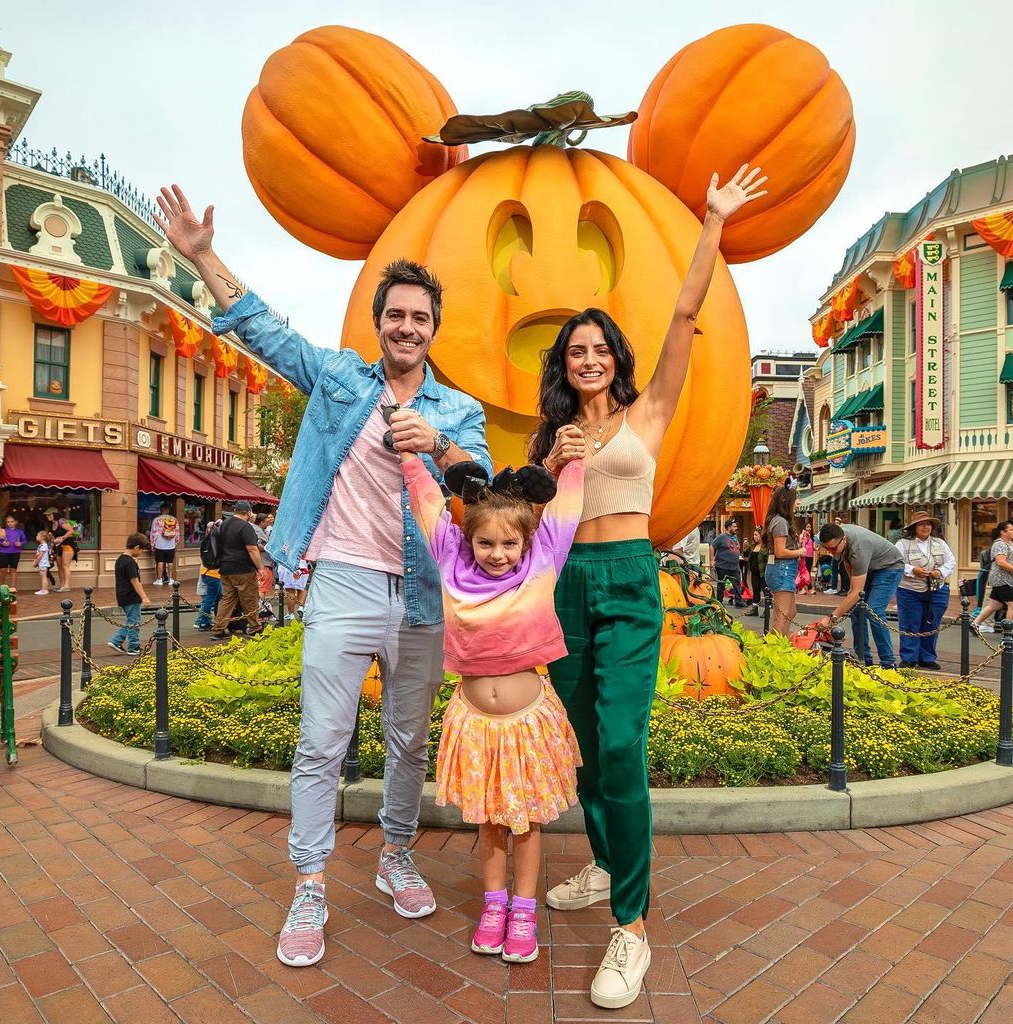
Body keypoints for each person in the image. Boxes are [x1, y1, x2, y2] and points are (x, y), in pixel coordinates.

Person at [154, 183, 490, 968]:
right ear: (380, 325)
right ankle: (309, 885)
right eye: (396, 315)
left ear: (436, 329)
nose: (407, 327)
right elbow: (268, 335)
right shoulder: (342, 379)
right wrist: (205, 258)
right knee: (321, 743)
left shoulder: (458, 410)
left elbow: (484, 492)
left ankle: (395, 857)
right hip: (340, 580)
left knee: (409, 743)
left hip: (421, 592)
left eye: (420, 317)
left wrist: (436, 447)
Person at [528, 163, 768, 1008]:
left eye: (598, 347)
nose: (588, 357)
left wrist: (712, 222)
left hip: (630, 583)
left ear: (614, 358)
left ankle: (631, 929)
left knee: (623, 747)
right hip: (567, 588)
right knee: (588, 750)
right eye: (576, 350)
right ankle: (602, 862)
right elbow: (526, 533)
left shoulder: (649, 413)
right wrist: (548, 471)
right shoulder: (552, 435)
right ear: (564, 365)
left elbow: (684, 312)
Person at [403, 451, 584, 964]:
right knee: (489, 823)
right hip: (475, 724)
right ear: (468, 540)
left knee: (526, 822)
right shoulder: (450, 561)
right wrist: (410, 456)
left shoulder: (543, 560)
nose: (498, 553)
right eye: (486, 542)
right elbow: (428, 505)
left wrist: (574, 463)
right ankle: (494, 905)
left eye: (509, 543)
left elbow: (565, 510)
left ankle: (524, 909)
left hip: (528, 724)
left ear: (528, 541)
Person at [815, 522, 905, 669]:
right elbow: (848, 565)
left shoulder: (859, 548)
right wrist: (852, 596)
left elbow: (857, 592)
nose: (831, 552)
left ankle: (888, 663)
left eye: (833, 548)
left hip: (890, 567)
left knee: (874, 610)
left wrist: (831, 618)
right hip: (869, 568)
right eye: (827, 549)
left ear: (843, 539)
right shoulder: (839, 541)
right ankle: (863, 658)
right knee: (856, 609)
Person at [894, 510, 955, 670]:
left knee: (932, 623)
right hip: (909, 590)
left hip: (937, 589)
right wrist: (912, 570)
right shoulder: (902, 544)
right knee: (910, 624)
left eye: (928, 524)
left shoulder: (939, 543)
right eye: (921, 524)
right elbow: (896, 563)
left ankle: (927, 657)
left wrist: (940, 572)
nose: (925, 527)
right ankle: (909, 658)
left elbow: (950, 562)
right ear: (914, 527)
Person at [209, 501, 264, 638]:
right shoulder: (245, 527)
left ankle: (218, 629)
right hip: (243, 568)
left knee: (227, 599)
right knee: (249, 598)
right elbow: (252, 549)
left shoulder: (224, 525)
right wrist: (261, 568)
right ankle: (254, 628)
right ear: (248, 512)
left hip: (225, 568)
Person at [762, 487, 806, 635]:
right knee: (782, 616)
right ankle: (775, 650)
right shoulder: (780, 521)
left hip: (781, 568)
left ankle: (782, 644)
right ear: (786, 501)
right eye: (795, 499)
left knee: (790, 612)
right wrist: (799, 551)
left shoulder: (777, 520)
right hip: (783, 569)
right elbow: (780, 551)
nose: (797, 502)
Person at [106, 533, 149, 656]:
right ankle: (133, 647)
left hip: (122, 595)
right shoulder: (130, 562)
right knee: (135, 622)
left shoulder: (120, 559)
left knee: (131, 620)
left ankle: (116, 641)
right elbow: (135, 581)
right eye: (141, 550)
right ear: (136, 547)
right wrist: (144, 597)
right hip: (131, 596)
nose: (141, 552)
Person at [972, 521, 1013, 634]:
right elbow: (1001, 562)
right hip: (1003, 579)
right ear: (1002, 532)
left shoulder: (1009, 543)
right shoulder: (1000, 544)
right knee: (1012, 605)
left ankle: (975, 624)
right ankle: (1009, 632)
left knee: (994, 605)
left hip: (1005, 579)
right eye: (1011, 529)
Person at [193, 520, 222, 631]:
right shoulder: (216, 541)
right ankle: (203, 622)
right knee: (210, 599)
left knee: (213, 598)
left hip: (206, 572)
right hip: (214, 573)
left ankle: (206, 621)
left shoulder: (207, 540)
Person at [712, 518, 744, 606]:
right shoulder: (721, 537)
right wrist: (712, 560)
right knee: (721, 583)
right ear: (729, 527)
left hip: (734, 565)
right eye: (734, 526)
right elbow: (712, 546)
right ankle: (719, 601)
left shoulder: (734, 537)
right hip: (722, 565)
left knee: (737, 583)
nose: (736, 528)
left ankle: (739, 601)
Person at [46, 508, 76, 592]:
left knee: (65, 565)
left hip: (68, 545)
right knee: (59, 565)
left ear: (54, 514)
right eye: (47, 515)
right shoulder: (51, 524)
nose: (47, 516)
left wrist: (62, 538)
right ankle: (62, 585)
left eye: (49, 515)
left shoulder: (61, 521)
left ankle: (66, 586)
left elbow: (71, 530)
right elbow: (53, 536)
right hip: (58, 546)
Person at [150, 503, 180, 585]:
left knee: (160, 562)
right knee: (170, 562)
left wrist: (152, 544)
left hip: (160, 545)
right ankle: (170, 580)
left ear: (161, 510)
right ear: (168, 510)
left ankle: (159, 580)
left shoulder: (157, 520)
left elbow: (153, 533)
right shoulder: (174, 519)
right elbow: (177, 533)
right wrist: (175, 542)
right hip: (171, 545)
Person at [0, 514, 26, 591]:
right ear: (6, 523)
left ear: (16, 522)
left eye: (12, 521)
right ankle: (1, 586)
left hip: (15, 552)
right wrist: (2, 543)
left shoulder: (20, 532)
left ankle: (13, 587)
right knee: (3, 569)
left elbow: (24, 540)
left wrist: (20, 544)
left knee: (13, 569)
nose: (10, 523)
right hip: (4, 552)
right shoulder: (3, 531)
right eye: (8, 522)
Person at [277, 556, 309, 621]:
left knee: (290, 590)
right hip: (302, 564)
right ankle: (301, 607)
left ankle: (290, 614)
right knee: (302, 588)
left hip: (287, 564)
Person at [744, 527, 768, 615]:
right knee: (756, 590)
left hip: (763, 573)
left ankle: (767, 610)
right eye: (754, 535)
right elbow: (746, 555)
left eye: (756, 535)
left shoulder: (766, 547)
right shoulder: (752, 546)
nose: (754, 537)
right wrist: (745, 548)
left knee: (766, 591)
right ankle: (755, 609)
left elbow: (768, 559)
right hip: (754, 573)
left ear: (761, 535)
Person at [33, 530, 52, 596]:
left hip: (43, 563)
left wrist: (35, 563)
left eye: (38, 535)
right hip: (42, 563)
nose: (36, 537)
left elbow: (40, 556)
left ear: (42, 537)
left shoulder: (43, 546)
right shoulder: (41, 545)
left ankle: (44, 590)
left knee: (44, 577)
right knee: (43, 577)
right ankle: (43, 589)